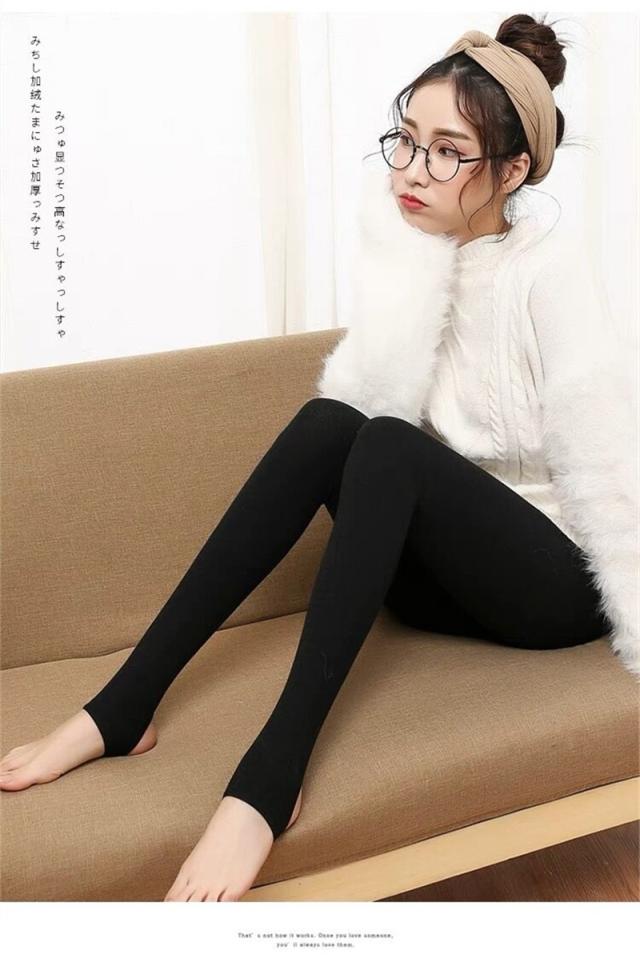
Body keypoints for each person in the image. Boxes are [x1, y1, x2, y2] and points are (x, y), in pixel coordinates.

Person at [1, 15, 637, 904]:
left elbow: (608, 456)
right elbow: (367, 412)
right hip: (449, 578)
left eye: (447, 152)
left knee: (382, 442)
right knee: (332, 421)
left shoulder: (551, 269)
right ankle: (123, 705)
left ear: (512, 170)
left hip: (550, 582)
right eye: (405, 140)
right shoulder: (410, 253)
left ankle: (270, 777)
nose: (410, 171)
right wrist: (403, 277)